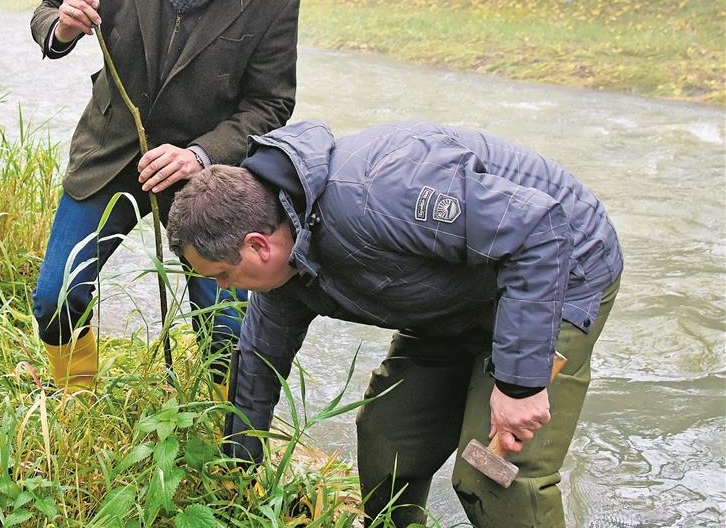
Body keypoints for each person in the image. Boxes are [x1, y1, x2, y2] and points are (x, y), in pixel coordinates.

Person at [166, 120, 623, 528]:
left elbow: (538, 229)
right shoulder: (284, 273)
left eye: (222, 274)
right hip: (455, 297)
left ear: (257, 246)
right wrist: (235, 481)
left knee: (493, 476)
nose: (225, 289)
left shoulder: (380, 194)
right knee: (389, 441)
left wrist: (519, 387)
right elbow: (258, 369)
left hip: (559, 271)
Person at [29, 0, 300, 391]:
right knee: (57, 296)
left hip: (208, 178)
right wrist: (63, 26)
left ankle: (233, 447)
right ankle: (76, 406)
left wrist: (200, 155)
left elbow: (272, 105)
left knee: (226, 325)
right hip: (109, 155)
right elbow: (49, 12)